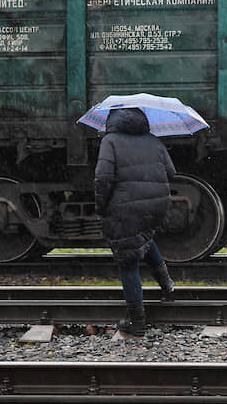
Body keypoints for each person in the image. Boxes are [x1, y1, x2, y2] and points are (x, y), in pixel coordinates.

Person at [94, 107, 177, 338]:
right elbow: (171, 172)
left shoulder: (110, 141)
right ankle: (168, 287)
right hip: (155, 206)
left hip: (125, 208)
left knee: (128, 261)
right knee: (143, 239)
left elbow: (103, 179)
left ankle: (137, 323)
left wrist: (101, 207)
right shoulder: (153, 140)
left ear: (112, 121)